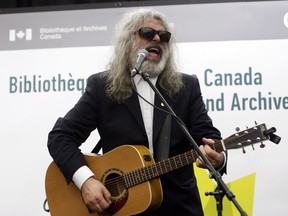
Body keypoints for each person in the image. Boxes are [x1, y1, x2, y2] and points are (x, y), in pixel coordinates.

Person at [48, 8, 226, 216]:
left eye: (164, 36)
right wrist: (86, 181)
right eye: (148, 33)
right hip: (121, 209)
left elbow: (208, 137)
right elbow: (60, 137)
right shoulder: (102, 86)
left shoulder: (186, 86)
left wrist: (219, 158)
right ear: (128, 40)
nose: (158, 38)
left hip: (180, 208)